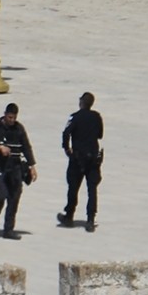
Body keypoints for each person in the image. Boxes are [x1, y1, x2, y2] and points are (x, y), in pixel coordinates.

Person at [0, 103, 38, 239]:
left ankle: (8, 230)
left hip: (15, 168)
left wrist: (32, 166)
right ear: (5, 114)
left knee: (14, 199)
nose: (11, 120)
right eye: (9, 117)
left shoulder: (19, 129)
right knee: (0, 196)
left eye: (14, 118)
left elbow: (26, 147)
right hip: (0, 167)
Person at [58, 92, 105, 233]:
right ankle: (90, 220)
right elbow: (100, 135)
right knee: (92, 189)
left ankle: (69, 216)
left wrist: (67, 148)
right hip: (93, 158)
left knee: (73, 187)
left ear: (81, 102)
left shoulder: (75, 117)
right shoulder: (97, 117)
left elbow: (66, 133)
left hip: (78, 158)